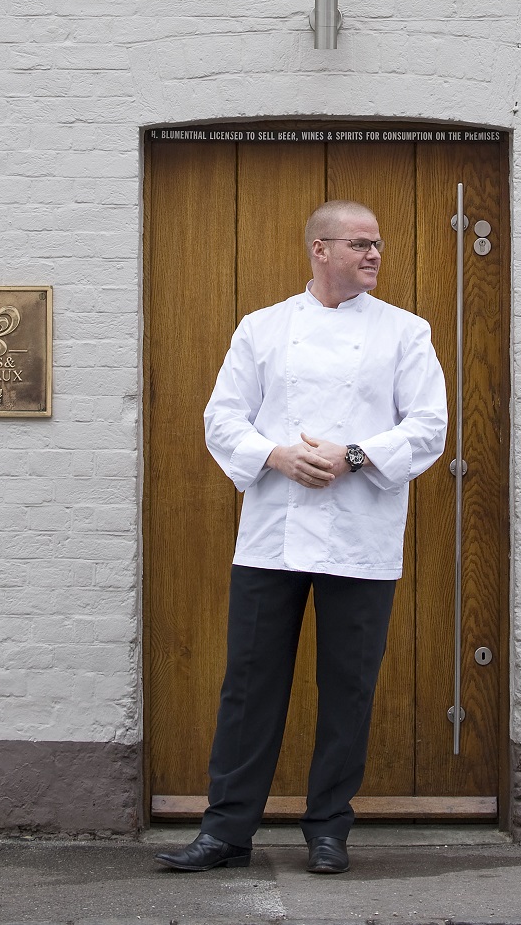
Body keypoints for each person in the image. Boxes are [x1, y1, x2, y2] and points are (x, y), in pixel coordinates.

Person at [155, 200, 448, 875]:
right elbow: (221, 417)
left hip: (361, 533)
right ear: (320, 249)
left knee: (348, 687)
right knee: (249, 684)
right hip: (271, 532)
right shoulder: (261, 329)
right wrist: (276, 456)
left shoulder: (406, 333)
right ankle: (226, 829)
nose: (375, 254)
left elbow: (429, 426)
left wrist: (352, 455)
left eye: (378, 244)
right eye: (360, 243)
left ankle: (328, 829)